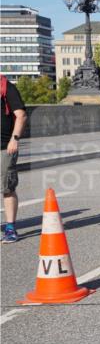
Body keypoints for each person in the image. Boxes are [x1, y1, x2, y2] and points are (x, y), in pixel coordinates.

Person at [2, 75, 27, 243]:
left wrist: (14, 139)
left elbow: (21, 115)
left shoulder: (6, 87)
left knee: (7, 188)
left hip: (4, 147)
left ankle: (10, 228)